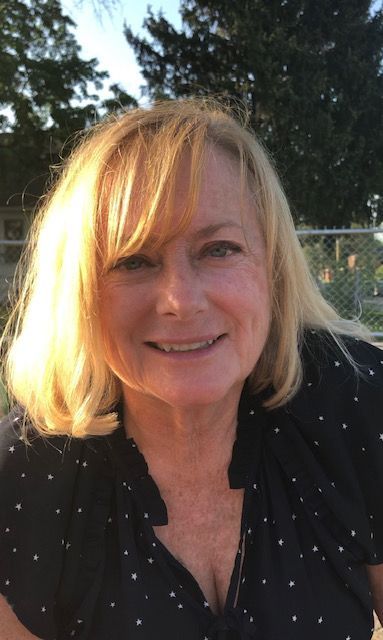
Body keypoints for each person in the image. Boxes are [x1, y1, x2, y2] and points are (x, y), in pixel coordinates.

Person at [0, 99, 382, 640]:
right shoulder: (24, 479)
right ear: (79, 294)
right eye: (134, 260)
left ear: (271, 271)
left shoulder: (354, 403)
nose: (181, 300)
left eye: (219, 249)